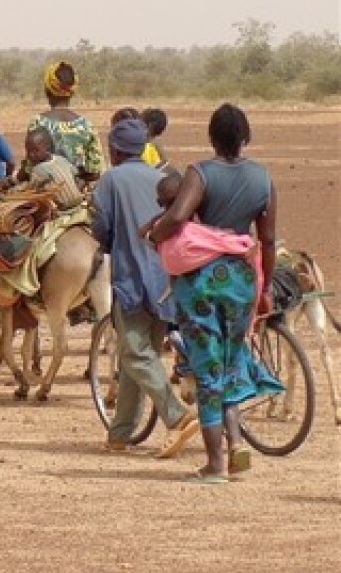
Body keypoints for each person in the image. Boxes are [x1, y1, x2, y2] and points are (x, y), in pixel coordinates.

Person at [146, 104, 283, 483]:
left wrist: (154, 236)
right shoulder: (263, 178)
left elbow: (175, 217)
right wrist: (266, 286)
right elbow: (267, 239)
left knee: (207, 367)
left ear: (211, 137)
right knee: (231, 359)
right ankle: (236, 442)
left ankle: (215, 464)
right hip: (242, 279)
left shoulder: (200, 173)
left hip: (201, 281)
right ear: (246, 137)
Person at [91, 118, 199, 457]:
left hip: (132, 279)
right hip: (165, 278)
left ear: (115, 151)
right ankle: (119, 434)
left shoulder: (110, 181)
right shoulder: (161, 178)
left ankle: (177, 416)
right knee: (138, 356)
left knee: (135, 355)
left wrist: (110, 246)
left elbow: (102, 226)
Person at [27, 61, 104, 184]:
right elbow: (95, 171)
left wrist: (11, 181)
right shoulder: (86, 125)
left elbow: (29, 168)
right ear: (72, 92)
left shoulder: (37, 122)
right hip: (78, 195)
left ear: (47, 91)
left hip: (44, 197)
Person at [9, 127, 82, 209]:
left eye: (35, 151)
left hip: (61, 206)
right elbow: (76, 175)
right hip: (79, 200)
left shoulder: (38, 170)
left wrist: (14, 191)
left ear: (48, 149)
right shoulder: (61, 159)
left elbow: (31, 189)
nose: (30, 155)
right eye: (28, 151)